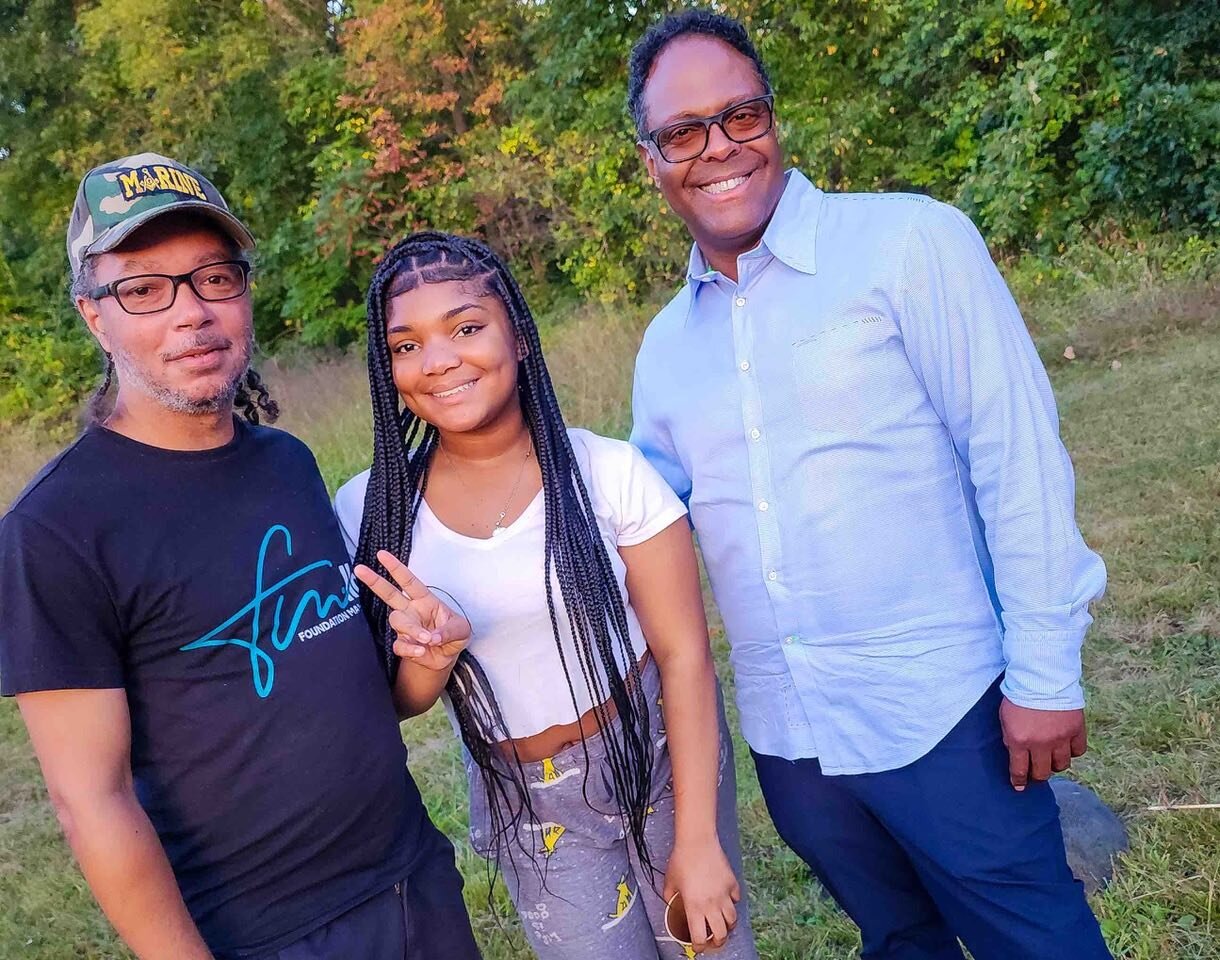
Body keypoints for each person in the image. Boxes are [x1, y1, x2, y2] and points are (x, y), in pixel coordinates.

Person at [626, 11, 1113, 960]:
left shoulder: (910, 245)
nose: (719, 147)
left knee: (1042, 944)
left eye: (743, 115)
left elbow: (1016, 455)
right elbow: (643, 516)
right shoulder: (663, 349)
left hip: (948, 714)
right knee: (898, 941)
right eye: (684, 132)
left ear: (775, 121)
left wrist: (1048, 672)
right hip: (794, 744)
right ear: (652, 161)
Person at [0, 154, 480, 960]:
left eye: (214, 278)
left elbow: (355, 697)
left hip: (413, 883)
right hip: (268, 937)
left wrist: (428, 660)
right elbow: (92, 800)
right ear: (94, 315)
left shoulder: (285, 462)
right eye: (145, 289)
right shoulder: (54, 533)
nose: (191, 312)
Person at [333, 231, 759, 960]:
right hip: (529, 801)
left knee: (711, 951)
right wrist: (436, 655)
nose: (438, 361)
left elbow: (685, 656)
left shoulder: (610, 474)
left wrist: (698, 841)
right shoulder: (373, 512)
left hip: (654, 756)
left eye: (466, 328)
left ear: (519, 338)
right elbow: (402, 702)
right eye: (406, 346)